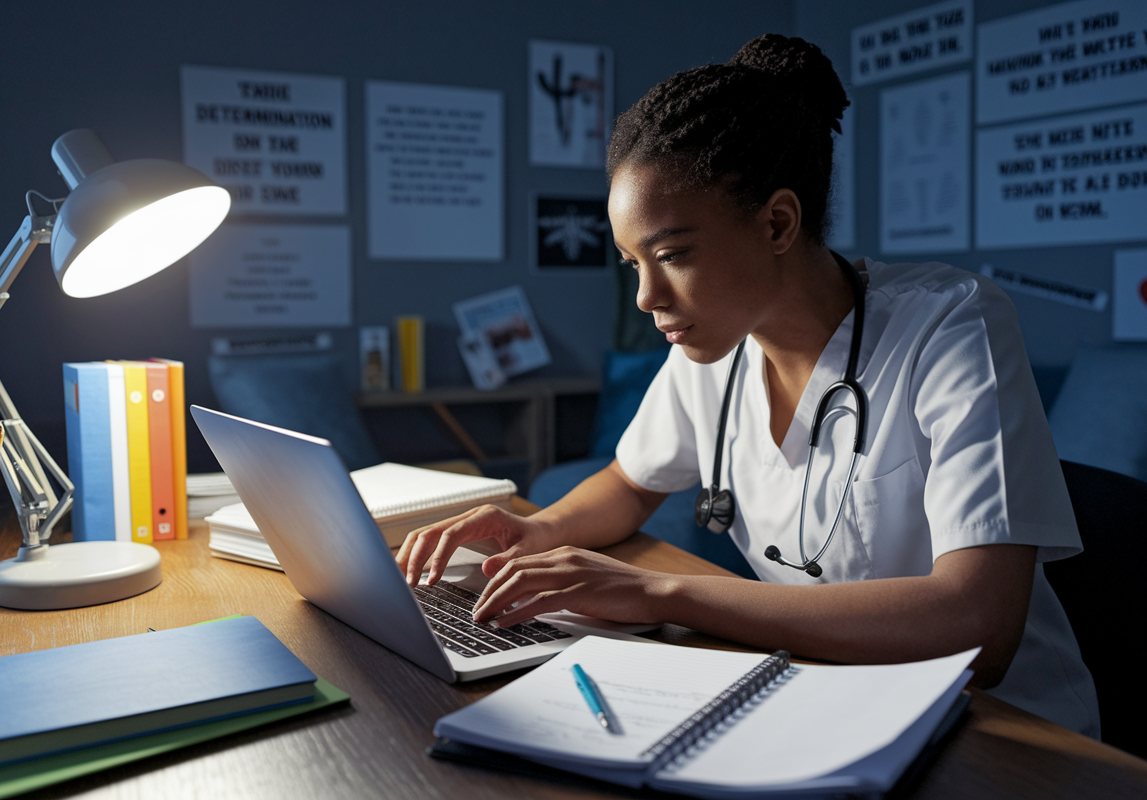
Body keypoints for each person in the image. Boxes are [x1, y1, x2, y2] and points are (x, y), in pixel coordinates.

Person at [397, 34, 1099, 737]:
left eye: (671, 254)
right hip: (824, 696)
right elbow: (632, 480)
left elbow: (979, 627)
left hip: (1001, 732)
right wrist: (536, 528)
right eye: (632, 263)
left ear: (777, 222)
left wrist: (663, 594)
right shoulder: (716, 347)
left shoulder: (951, 324)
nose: (645, 297)